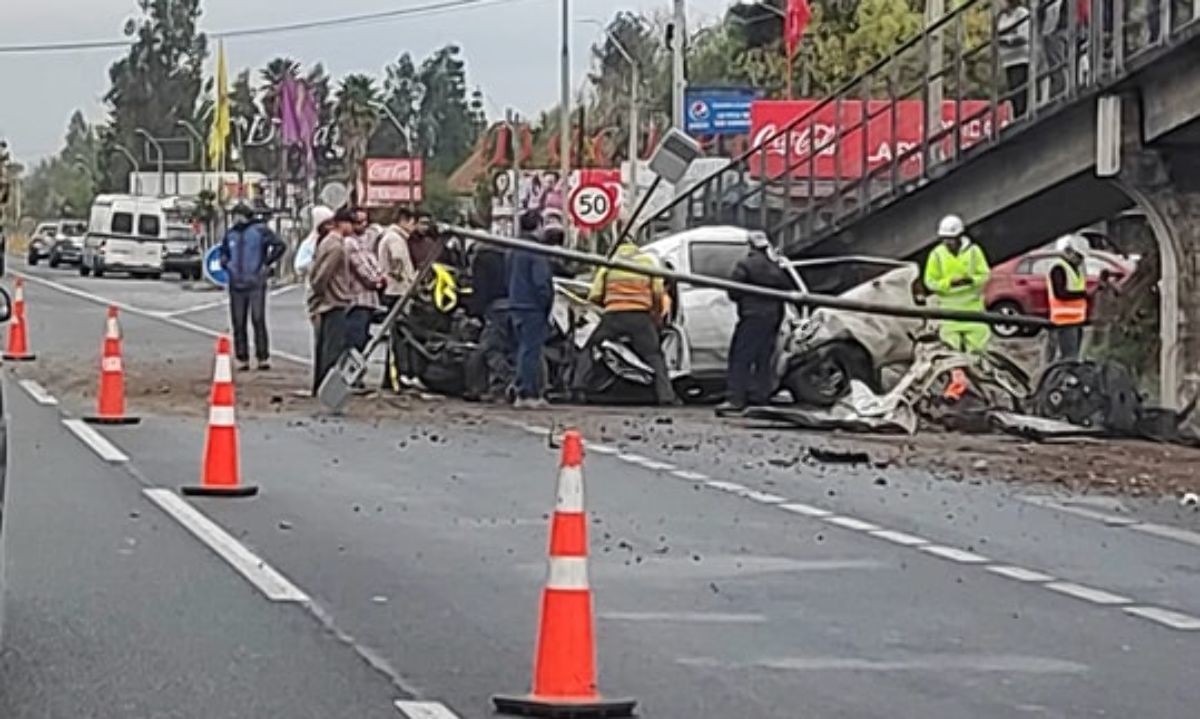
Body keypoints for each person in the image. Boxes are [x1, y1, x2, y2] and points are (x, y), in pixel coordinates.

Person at [573, 235, 680, 406]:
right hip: (640, 317)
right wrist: (656, 317)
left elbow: (594, 295)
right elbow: (658, 293)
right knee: (654, 356)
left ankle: (578, 389)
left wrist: (609, 302)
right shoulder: (647, 262)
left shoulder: (610, 263)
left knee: (590, 347)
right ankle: (666, 397)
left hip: (613, 316)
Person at [717, 233, 794, 415]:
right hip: (774, 317)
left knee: (740, 357)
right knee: (763, 358)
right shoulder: (775, 266)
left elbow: (733, 292)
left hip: (752, 316)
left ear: (750, 246)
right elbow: (788, 287)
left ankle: (735, 399)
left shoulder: (745, 264)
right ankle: (761, 397)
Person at [218, 202, 286, 371]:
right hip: (236, 283)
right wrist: (226, 264)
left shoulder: (260, 230)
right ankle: (242, 358)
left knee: (258, 318)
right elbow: (224, 252)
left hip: (256, 282)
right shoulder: (230, 234)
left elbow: (280, 245)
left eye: (237, 215)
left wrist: (267, 263)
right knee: (238, 321)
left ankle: (263, 356)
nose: (235, 219)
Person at [924, 214, 992, 354]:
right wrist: (949, 283)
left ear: (959, 236)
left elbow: (985, 275)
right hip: (949, 315)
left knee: (979, 355)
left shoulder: (974, 252)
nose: (948, 242)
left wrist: (970, 280)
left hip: (974, 313)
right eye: (945, 239)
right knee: (951, 356)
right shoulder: (936, 255)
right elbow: (930, 282)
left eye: (951, 239)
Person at [507, 210, 555, 409]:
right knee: (531, 350)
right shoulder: (536, 251)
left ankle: (520, 386)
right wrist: (547, 302)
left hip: (515, 303)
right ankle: (527, 393)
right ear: (538, 226)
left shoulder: (512, 249)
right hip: (532, 306)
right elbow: (541, 281)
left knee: (524, 349)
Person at [308, 208, 358, 396]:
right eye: (351, 223)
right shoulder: (336, 246)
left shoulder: (327, 241)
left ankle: (319, 386)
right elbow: (322, 275)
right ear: (342, 223)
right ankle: (326, 388)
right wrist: (320, 293)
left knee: (324, 346)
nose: (353, 228)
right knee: (332, 348)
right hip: (333, 301)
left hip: (328, 301)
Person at [463, 233, 513, 402]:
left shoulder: (482, 259)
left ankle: (501, 385)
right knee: (511, 347)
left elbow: (481, 288)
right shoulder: (507, 254)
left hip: (495, 306)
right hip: (515, 305)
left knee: (490, 347)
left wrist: (475, 311)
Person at [377, 206, 420, 392]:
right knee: (398, 337)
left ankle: (391, 377)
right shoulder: (395, 238)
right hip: (396, 292)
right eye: (413, 222)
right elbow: (397, 261)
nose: (414, 227)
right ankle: (396, 378)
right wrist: (404, 278)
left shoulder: (393, 237)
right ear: (403, 220)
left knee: (397, 336)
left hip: (396, 290)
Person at [345, 208, 387, 353]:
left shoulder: (365, 240)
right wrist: (376, 282)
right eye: (359, 222)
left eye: (365, 221)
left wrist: (380, 277)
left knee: (361, 337)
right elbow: (361, 268)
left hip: (368, 300)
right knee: (356, 339)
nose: (363, 225)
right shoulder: (349, 243)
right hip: (356, 299)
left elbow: (372, 263)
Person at [1045, 233, 1090, 364]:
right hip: (1063, 321)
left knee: (1073, 357)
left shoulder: (1075, 269)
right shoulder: (1059, 267)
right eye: (1079, 256)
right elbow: (1060, 293)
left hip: (1076, 321)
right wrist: (1083, 294)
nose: (1080, 260)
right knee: (1067, 359)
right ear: (1069, 251)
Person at [998, 0, 1031, 118]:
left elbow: (1024, 36)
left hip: (1020, 58)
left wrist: (1008, 41)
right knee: (1012, 91)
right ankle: (1016, 115)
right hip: (1007, 61)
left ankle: (1021, 116)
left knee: (1020, 91)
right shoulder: (1001, 17)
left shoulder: (1021, 13)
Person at [294, 205, 334, 279]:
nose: (331, 227)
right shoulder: (309, 243)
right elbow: (299, 266)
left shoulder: (336, 240)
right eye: (328, 224)